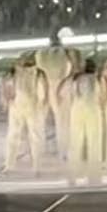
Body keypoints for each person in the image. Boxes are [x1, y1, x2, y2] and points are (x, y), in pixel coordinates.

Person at [35, 31, 79, 160]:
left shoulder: (40, 54)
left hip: (44, 86)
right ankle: (64, 151)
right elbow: (74, 68)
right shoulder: (65, 53)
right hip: (61, 87)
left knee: (39, 120)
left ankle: (39, 150)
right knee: (63, 121)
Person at [2, 57, 48, 174]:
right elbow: (43, 91)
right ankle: (35, 167)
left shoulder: (14, 72)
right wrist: (43, 105)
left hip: (21, 106)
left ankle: (11, 165)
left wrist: (6, 102)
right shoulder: (37, 72)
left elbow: (7, 88)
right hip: (29, 107)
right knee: (34, 136)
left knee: (15, 136)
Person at [67, 57, 104, 183]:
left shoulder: (75, 80)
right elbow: (101, 96)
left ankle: (73, 173)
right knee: (94, 142)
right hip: (92, 110)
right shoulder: (96, 80)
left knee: (75, 141)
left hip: (76, 109)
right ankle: (94, 174)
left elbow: (71, 95)